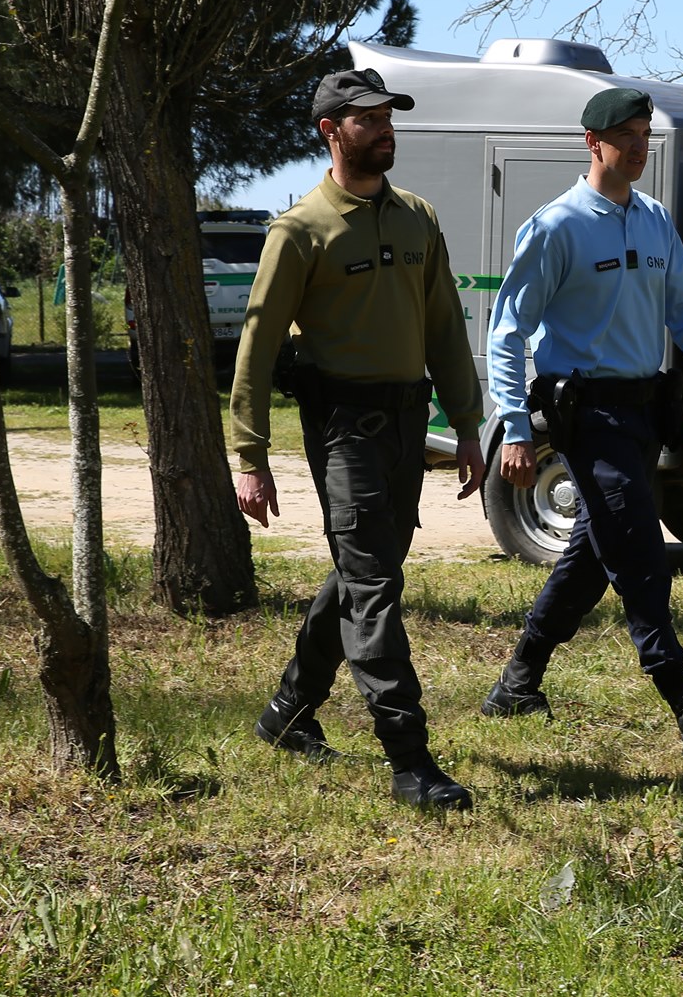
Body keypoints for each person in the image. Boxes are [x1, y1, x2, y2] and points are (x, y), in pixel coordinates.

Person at [481, 85, 683, 761]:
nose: (639, 146)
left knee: (590, 553)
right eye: (626, 135)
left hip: (644, 412)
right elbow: (506, 331)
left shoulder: (655, 219)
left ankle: (517, 682)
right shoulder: (556, 226)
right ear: (593, 143)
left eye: (645, 133)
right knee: (639, 553)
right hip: (588, 415)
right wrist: (516, 428)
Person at [231, 67, 487, 811]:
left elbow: (445, 325)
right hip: (344, 427)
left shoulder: (418, 217)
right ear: (330, 131)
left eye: (388, 116)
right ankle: (411, 759)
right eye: (367, 118)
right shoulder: (300, 229)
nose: (384, 128)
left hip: (410, 423)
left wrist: (467, 425)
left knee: (358, 574)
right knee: (374, 583)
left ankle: (287, 713)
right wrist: (249, 455)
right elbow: (258, 344)